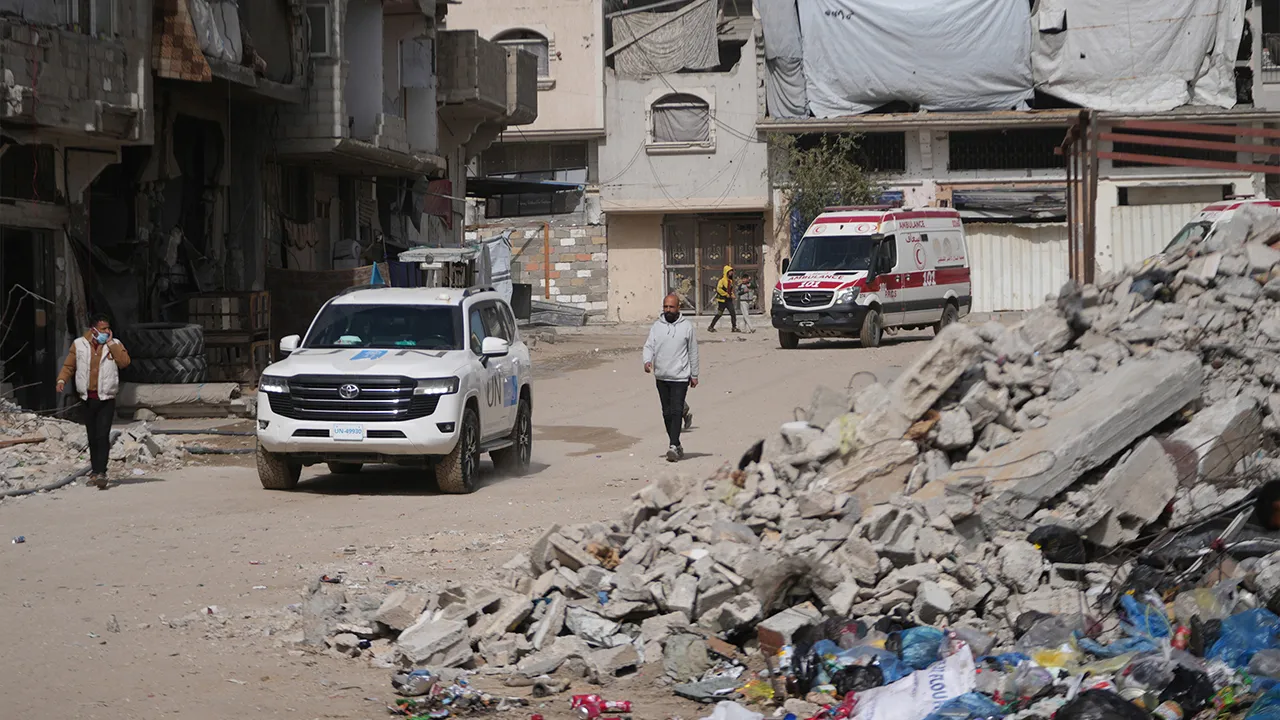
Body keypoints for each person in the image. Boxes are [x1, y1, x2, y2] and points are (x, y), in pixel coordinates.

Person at [56, 313, 131, 489]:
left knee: (102, 436)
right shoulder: (79, 345)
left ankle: (102, 471)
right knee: (92, 436)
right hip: (87, 398)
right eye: (103, 329)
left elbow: (124, 362)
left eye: (108, 328)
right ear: (94, 329)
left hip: (106, 398)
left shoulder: (115, 344)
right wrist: (61, 380)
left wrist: (111, 343)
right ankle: (95, 471)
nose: (107, 331)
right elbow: (69, 365)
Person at [643, 294, 699, 462]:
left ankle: (673, 445)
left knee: (676, 411)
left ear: (678, 308)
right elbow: (649, 346)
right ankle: (676, 444)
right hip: (661, 375)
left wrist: (694, 374)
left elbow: (693, 352)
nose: (668, 310)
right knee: (666, 412)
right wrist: (647, 361)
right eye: (665, 307)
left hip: (680, 376)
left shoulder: (687, 327)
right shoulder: (656, 327)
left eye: (671, 307)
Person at [707, 265, 738, 333]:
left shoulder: (730, 280)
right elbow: (719, 289)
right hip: (722, 301)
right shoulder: (722, 280)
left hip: (729, 300)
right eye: (730, 271)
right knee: (719, 314)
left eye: (732, 271)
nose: (731, 272)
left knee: (733, 313)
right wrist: (726, 294)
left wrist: (732, 295)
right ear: (726, 272)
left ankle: (734, 327)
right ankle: (711, 327)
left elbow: (730, 290)